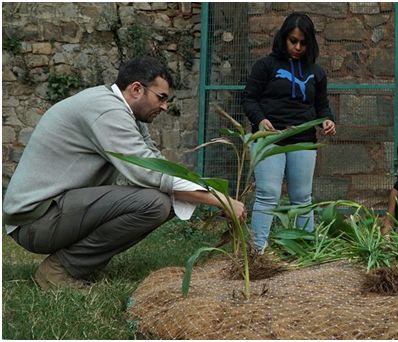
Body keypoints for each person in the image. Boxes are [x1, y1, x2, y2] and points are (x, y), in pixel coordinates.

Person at [2, 56, 246, 290]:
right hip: (35, 221)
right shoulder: (106, 110)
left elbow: (155, 162)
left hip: (53, 211)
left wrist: (210, 192)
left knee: (167, 199)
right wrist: (218, 198)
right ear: (137, 89)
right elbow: (147, 172)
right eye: (161, 97)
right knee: (154, 203)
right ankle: (60, 270)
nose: (164, 106)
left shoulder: (124, 112)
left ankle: (81, 263)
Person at [242, 12, 336, 252]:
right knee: (267, 194)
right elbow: (249, 99)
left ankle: (305, 251)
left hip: (303, 141)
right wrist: (260, 119)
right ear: (283, 38)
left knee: (303, 197)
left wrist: (327, 121)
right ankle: (257, 251)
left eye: (303, 43)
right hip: (270, 138)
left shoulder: (317, 72)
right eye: (293, 41)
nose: (297, 47)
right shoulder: (266, 65)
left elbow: (321, 106)